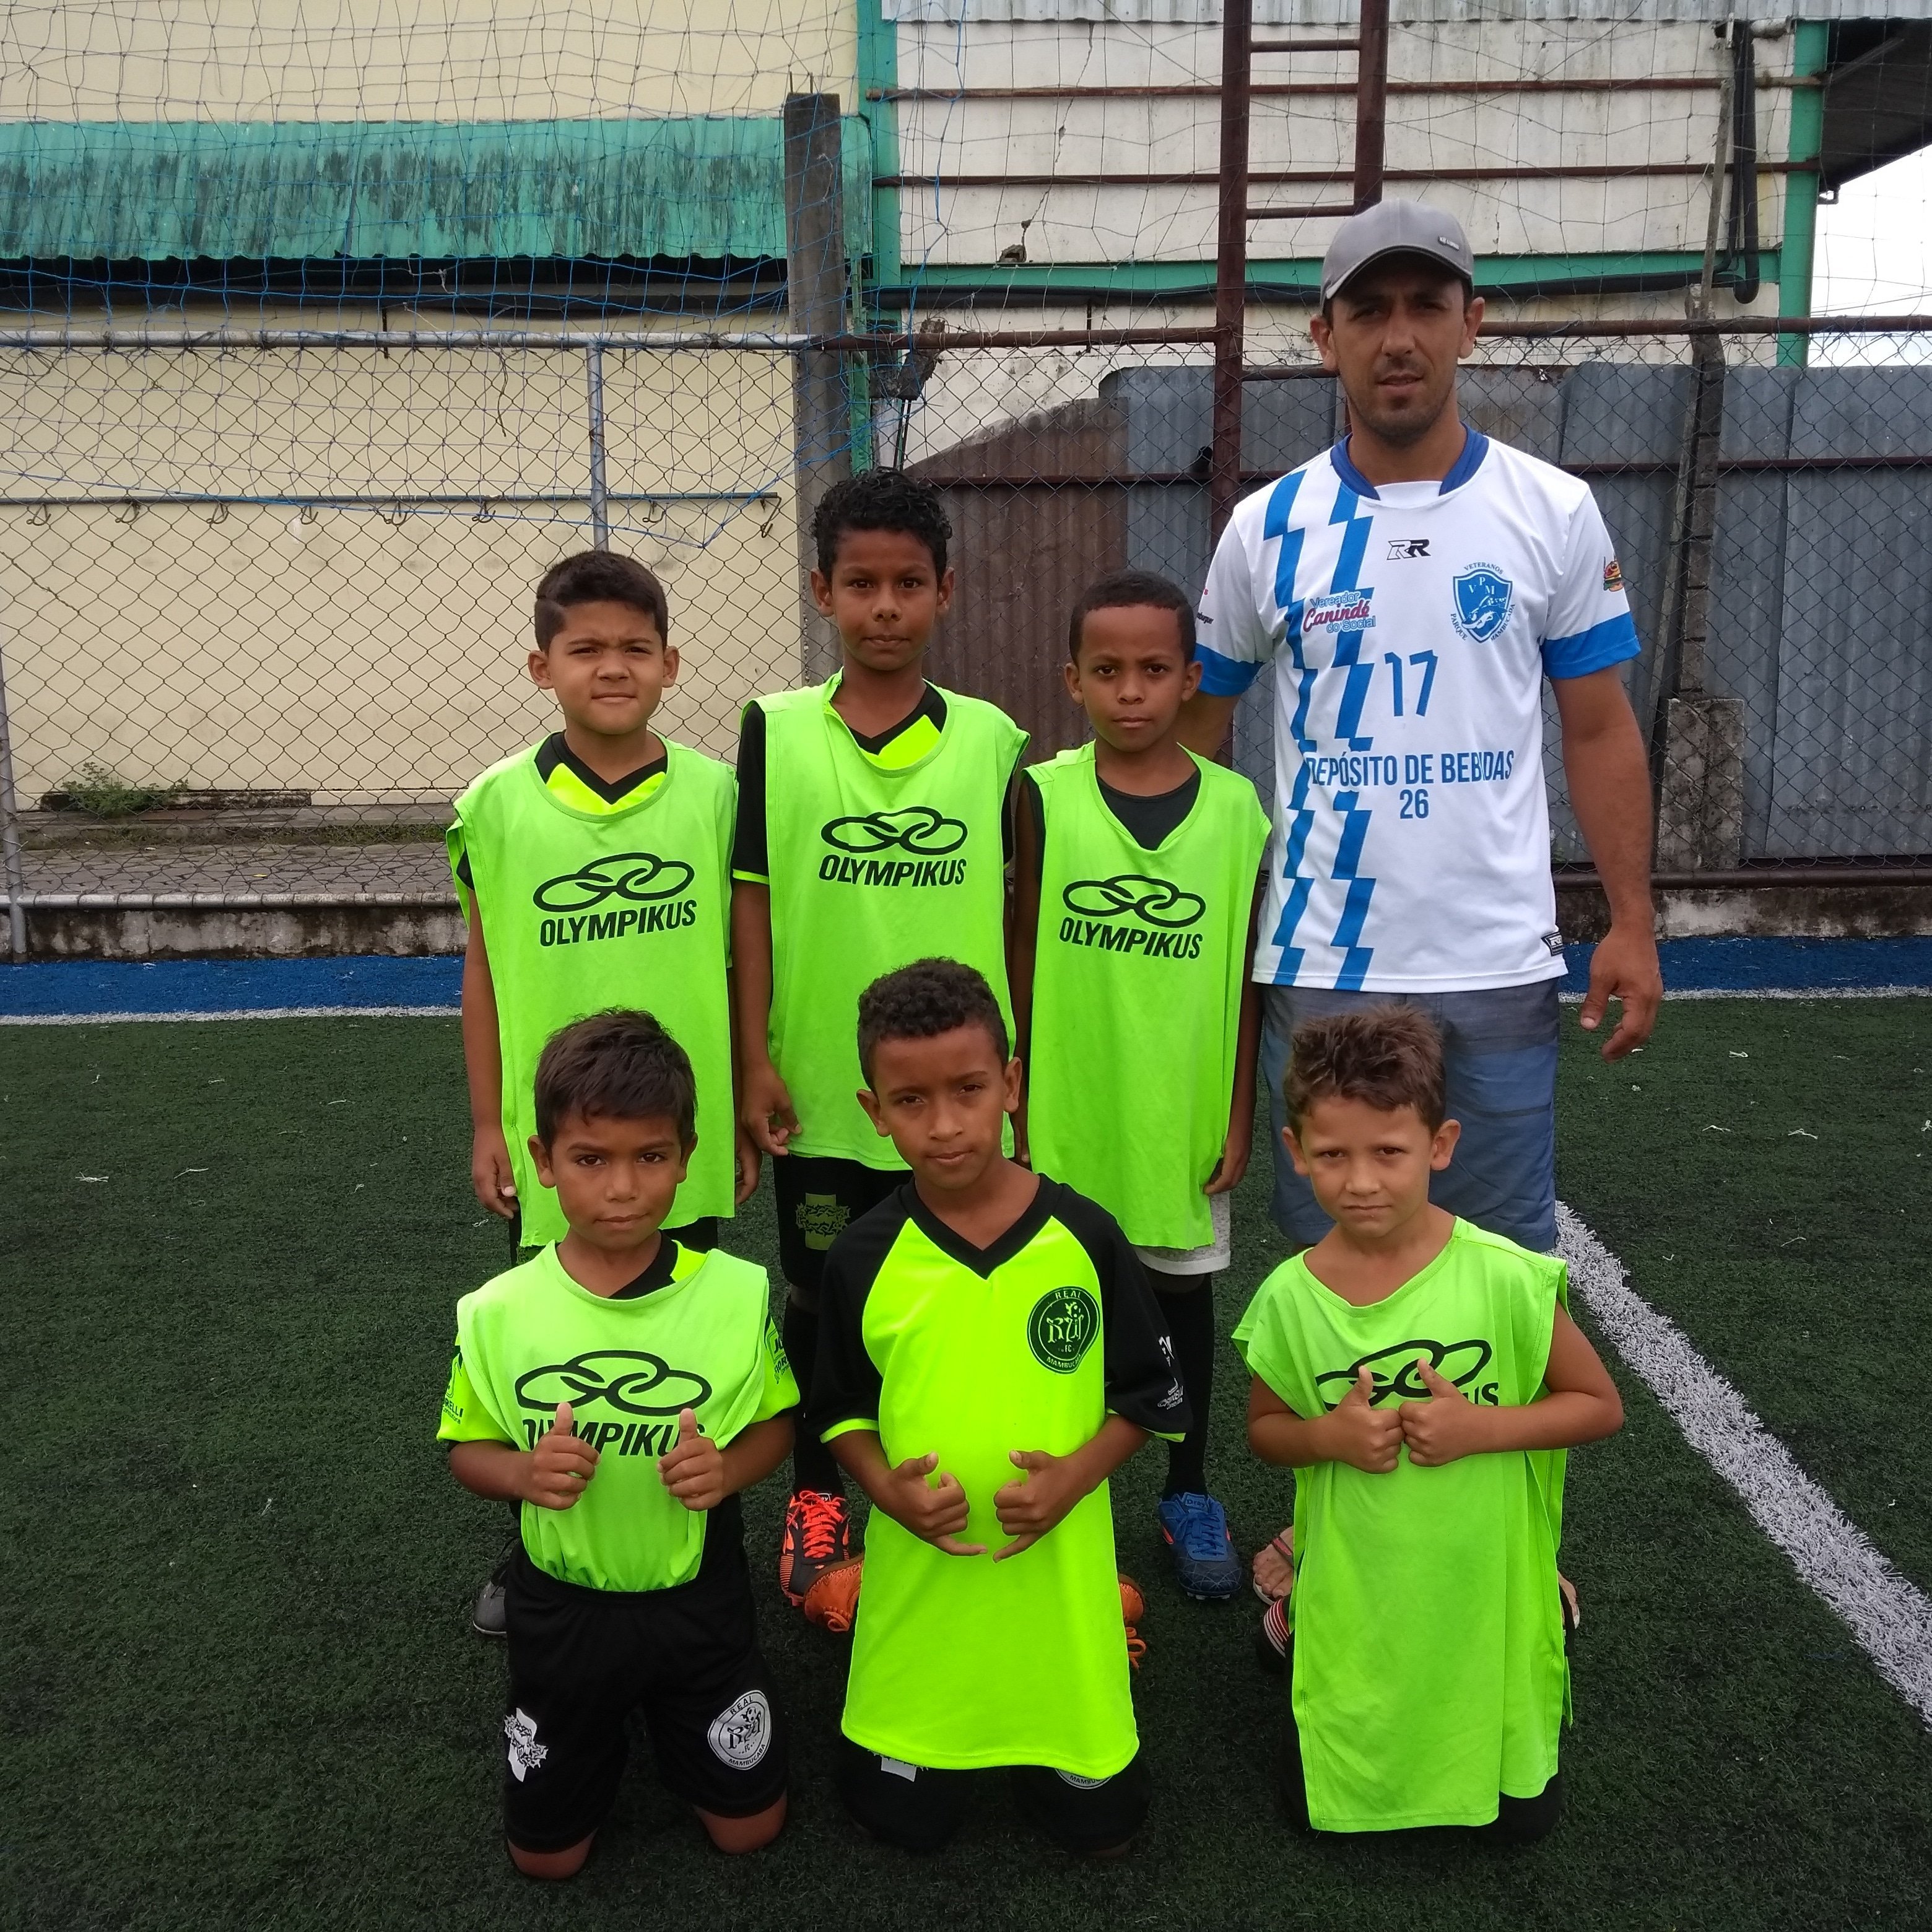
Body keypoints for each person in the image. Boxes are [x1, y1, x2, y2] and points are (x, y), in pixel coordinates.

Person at [1179, 199, 1661, 1606]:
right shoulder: (1267, 531)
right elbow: (1198, 754)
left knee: (1503, 1278)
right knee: (1340, 1266)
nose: (1399, 337)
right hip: (1322, 959)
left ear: (1472, 323)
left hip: (1496, 967)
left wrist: (1630, 919)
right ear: (1322, 336)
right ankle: (1331, 1536)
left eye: (1425, 306)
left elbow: (1600, 728)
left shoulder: (1550, 510)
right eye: (1368, 311)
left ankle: (1507, 1547)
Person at [732, 471, 1028, 1611]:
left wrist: (1020, 1058)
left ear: (946, 592)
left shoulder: (995, 743)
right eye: (862, 584)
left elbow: (1018, 910)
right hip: (820, 1079)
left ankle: (956, 1477)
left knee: (954, 1291)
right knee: (822, 1301)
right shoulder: (777, 730)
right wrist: (759, 1052)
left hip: (954, 1090)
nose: (886, 607)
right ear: (823, 592)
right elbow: (752, 896)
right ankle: (819, 1495)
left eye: (909, 584)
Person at [811, 959, 1186, 1854]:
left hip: (1056, 1590)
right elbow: (839, 1411)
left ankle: (1079, 1683)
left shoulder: (1085, 1237)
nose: (944, 1125)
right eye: (911, 1101)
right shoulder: (863, 1255)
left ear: (1011, 1086)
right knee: (898, 1822)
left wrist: (1074, 1478)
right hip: (923, 1590)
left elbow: (1148, 1394)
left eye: (969, 1090)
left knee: (1102, 1827)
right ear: (873, 1112)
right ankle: (920, 1714)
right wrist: (887, 1494)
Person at [449, 549, 747, 1637]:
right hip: (561, 1144)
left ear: (671, 663)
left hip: (682, 1134)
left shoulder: (719, 794)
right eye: (586, 649)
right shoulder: (493, 804)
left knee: (697, 1338)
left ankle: (708, 1534)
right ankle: (536, 1541)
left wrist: (745, 1086)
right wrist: (490, 1119)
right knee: (550, 1351)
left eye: (634, 648)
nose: (611, 668)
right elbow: (481, 970)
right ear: (542, 667)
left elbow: (744, 952)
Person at [1234, 1004, 1622, 1837]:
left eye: (1389, 1153)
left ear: (1439, 1146)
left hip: (1483, 1584)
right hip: (1361, 1589)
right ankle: (1294, 1618)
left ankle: (1541, 1608)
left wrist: (1480, 1429)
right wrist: (1326, 1439)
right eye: (1333, 1155)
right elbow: (1265, 1431)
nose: (1362, 1181)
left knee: (1520, 1824)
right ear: (1296, 1152)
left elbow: (1598, 1407)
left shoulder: (1507, 1280)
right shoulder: (1288, 1302)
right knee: (1315, 1815)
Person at [437, 1011, 794, 1876]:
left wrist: (728, 1469)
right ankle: (592, 1726)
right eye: (592, 1160)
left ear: (686, 1155)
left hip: (696, 1600)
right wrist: (522, 1472)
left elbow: (778, 1424)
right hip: (562, 1607)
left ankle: (674, 1716)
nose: (623, 1188)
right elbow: (464, 1449)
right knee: (547, 1862)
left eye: (651, 1157)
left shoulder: (735, 1295)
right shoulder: (497, 1313)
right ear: (544, 1160)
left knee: (751, 1832)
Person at [1011, 568, 1270, 1601]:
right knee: (1059, 1310)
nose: (1131, 692)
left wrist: (1243, 1107)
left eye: (1154, 671)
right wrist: (1017, 1095)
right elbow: (1016, 948)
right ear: (1072, 678)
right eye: (1107, 671)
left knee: (1180, 1306)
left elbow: (1245, 979)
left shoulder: (1239, 811)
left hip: (1181, 1111)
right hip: (1071, 1110)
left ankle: (1186, 1489)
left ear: (1189, 676)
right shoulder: (1042, 793)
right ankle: (1062, 1492)